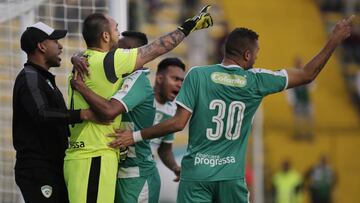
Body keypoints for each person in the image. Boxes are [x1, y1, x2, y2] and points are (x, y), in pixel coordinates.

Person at [109, 15, 355, 203]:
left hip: (196, 176)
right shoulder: (257, 80)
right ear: (247, 54)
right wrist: (334, 39)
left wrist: (135, 135)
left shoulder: (198, 75)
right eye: (257, 53)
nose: (257, 58)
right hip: (231, 177)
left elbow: (178, 123)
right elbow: (307, 74)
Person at [64, 6, 212, 203]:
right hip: (99, 159)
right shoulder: (105, 66)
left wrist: (188, 27)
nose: (118, 50)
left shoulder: (136, 80)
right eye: (116, 31)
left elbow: (110, 111)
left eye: (123, 49)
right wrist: (77, 57)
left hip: (129, 173)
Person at [12, 22, 92, 203]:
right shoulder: (30, 77)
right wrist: (83, 114)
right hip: (38, 169)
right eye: (55, 41)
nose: (61, 46)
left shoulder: (42, 78)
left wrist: (76, 58)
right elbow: (42, 114)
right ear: (41, 46)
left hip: (52, 167)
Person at [151, 57, 186, 182]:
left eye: (182, 81)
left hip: (147, 172)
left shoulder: (173, 112)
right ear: (159, 79)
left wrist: (175, 167)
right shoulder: (142, 99)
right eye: (175, 79)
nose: (179, 84)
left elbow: (164, 149)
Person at [287, 57, 314, 140]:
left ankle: (309, 134)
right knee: (298, 119)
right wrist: (291, 101)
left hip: (306, 100)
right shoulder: (293, 74)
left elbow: (312, 86)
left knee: (309, 118)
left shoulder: (306, 73)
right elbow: (289, 89)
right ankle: (299, 134)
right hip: (297, 101)